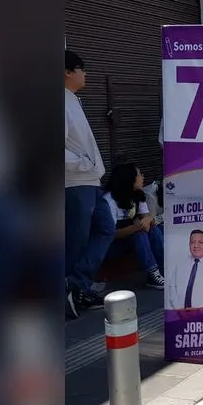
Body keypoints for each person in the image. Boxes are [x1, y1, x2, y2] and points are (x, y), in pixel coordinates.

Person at [65, 49, 115, 318]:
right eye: (82, 69)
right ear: (67, 71)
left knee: (105, 229)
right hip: (74, 184)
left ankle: (75, 285)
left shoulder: (73, 100)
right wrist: (84, 164)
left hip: (90, 182)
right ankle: (72, 292)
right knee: (77, 240)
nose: (86, 75)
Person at [102, 163, 165, 290]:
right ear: (129, 179)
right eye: (139, 175)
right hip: (111, 245)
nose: (143, 177)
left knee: (155, 229)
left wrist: (148, 219)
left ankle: (163, 270)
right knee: (139, 233)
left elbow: (147, 217)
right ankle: (153, 273)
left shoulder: (138, 195)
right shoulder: (109, 201)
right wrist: (136, 227)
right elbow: (110, 234)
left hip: (132, 240)